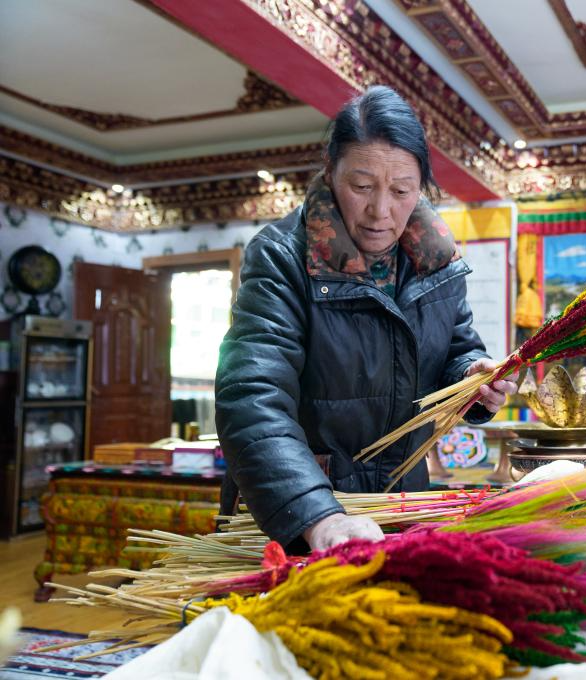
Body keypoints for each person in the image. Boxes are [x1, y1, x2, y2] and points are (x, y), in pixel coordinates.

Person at [215, 86, 517, 552]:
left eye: (401, 191)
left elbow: (458, 347)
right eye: (361, 187)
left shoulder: (435, 260)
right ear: (330, 173)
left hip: (400, 508)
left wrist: (472, 379)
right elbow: (252, 397)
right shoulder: (281, 258)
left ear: (421, 187)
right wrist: (318, 516)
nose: (381, 211)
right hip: (300, 516)